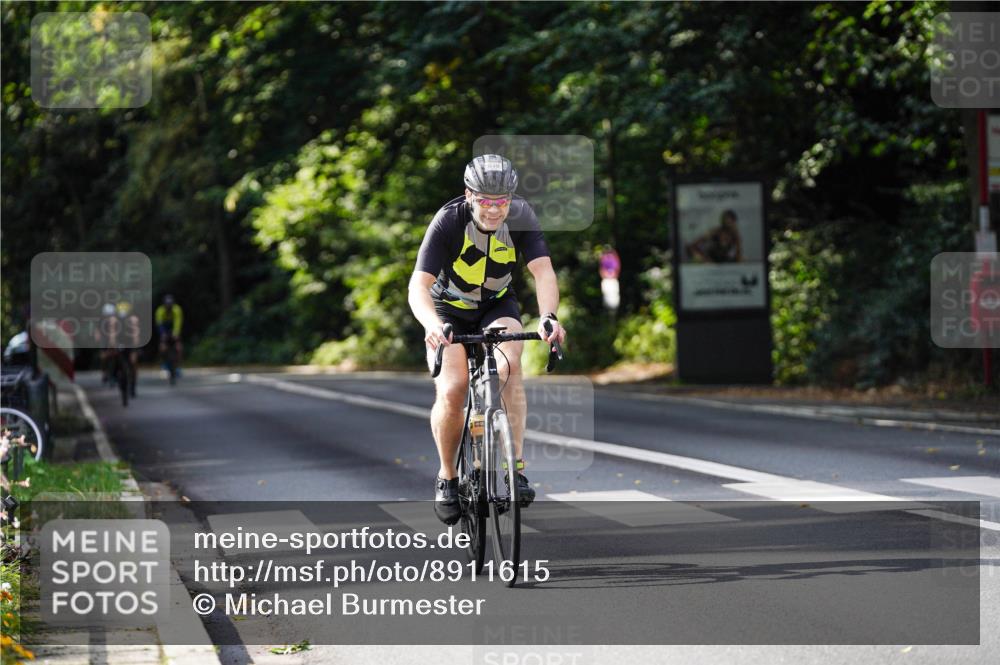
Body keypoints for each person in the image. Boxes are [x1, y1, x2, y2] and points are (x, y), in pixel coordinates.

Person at [408, 154, 567, 525]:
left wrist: (548, 317)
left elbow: (542, 272)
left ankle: (516, 468)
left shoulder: (522, 217)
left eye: (502, 201)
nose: (494, 209)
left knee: (509, 369)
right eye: (485, 200)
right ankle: (448, 475)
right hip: (448, 309)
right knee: (453, 387)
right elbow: (419, 285)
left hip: (497, 304)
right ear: (469, 195)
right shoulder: (449, 220)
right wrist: (432, 324)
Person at [155, 294, 184, 373]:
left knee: (179, 347)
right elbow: (159, 324)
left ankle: (178, 366)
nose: (168, 307)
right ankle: (164, 362)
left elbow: (178, 322)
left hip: (173, 327)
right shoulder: (160, 311)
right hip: (164, 328)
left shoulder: (177, 309)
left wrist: (176, 333)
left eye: (170, 305)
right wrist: (162, 334)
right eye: (167, 305)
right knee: (162, 347)